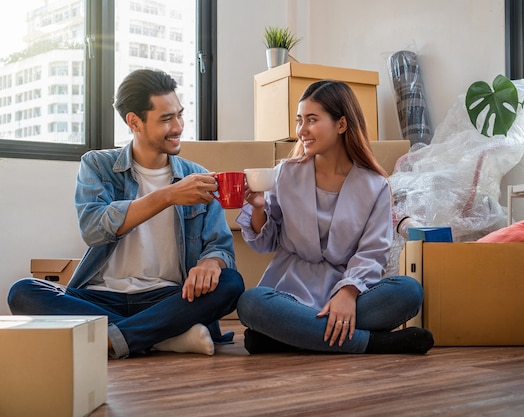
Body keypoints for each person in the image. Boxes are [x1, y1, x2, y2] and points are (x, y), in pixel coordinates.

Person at [7, 69, 244, 359]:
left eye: (180, 115)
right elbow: (93, 228)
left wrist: (211, 262)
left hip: (168, 298)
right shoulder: (97, 165)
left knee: (231, 283)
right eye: (167, 119)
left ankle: (122, 335)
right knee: (23, 292)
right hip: (101, 296)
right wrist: (168, 195)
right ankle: (162, 337)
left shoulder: (197, 176)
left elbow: (220, 245)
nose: (179, 126)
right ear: (135, 121)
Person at [235, 79, 434, 354]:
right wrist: (258, 207)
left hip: (351, 292)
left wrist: (348, 292)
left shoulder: (375, 185)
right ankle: (371, 343)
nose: (301, 130)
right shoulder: (285, 173)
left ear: (341, 124)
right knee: (252, 303)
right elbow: (265, 242)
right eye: (299, 120)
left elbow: (373, 253)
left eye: (312, 120)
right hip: (289, 293)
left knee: (409, 291)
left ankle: (290, 336)